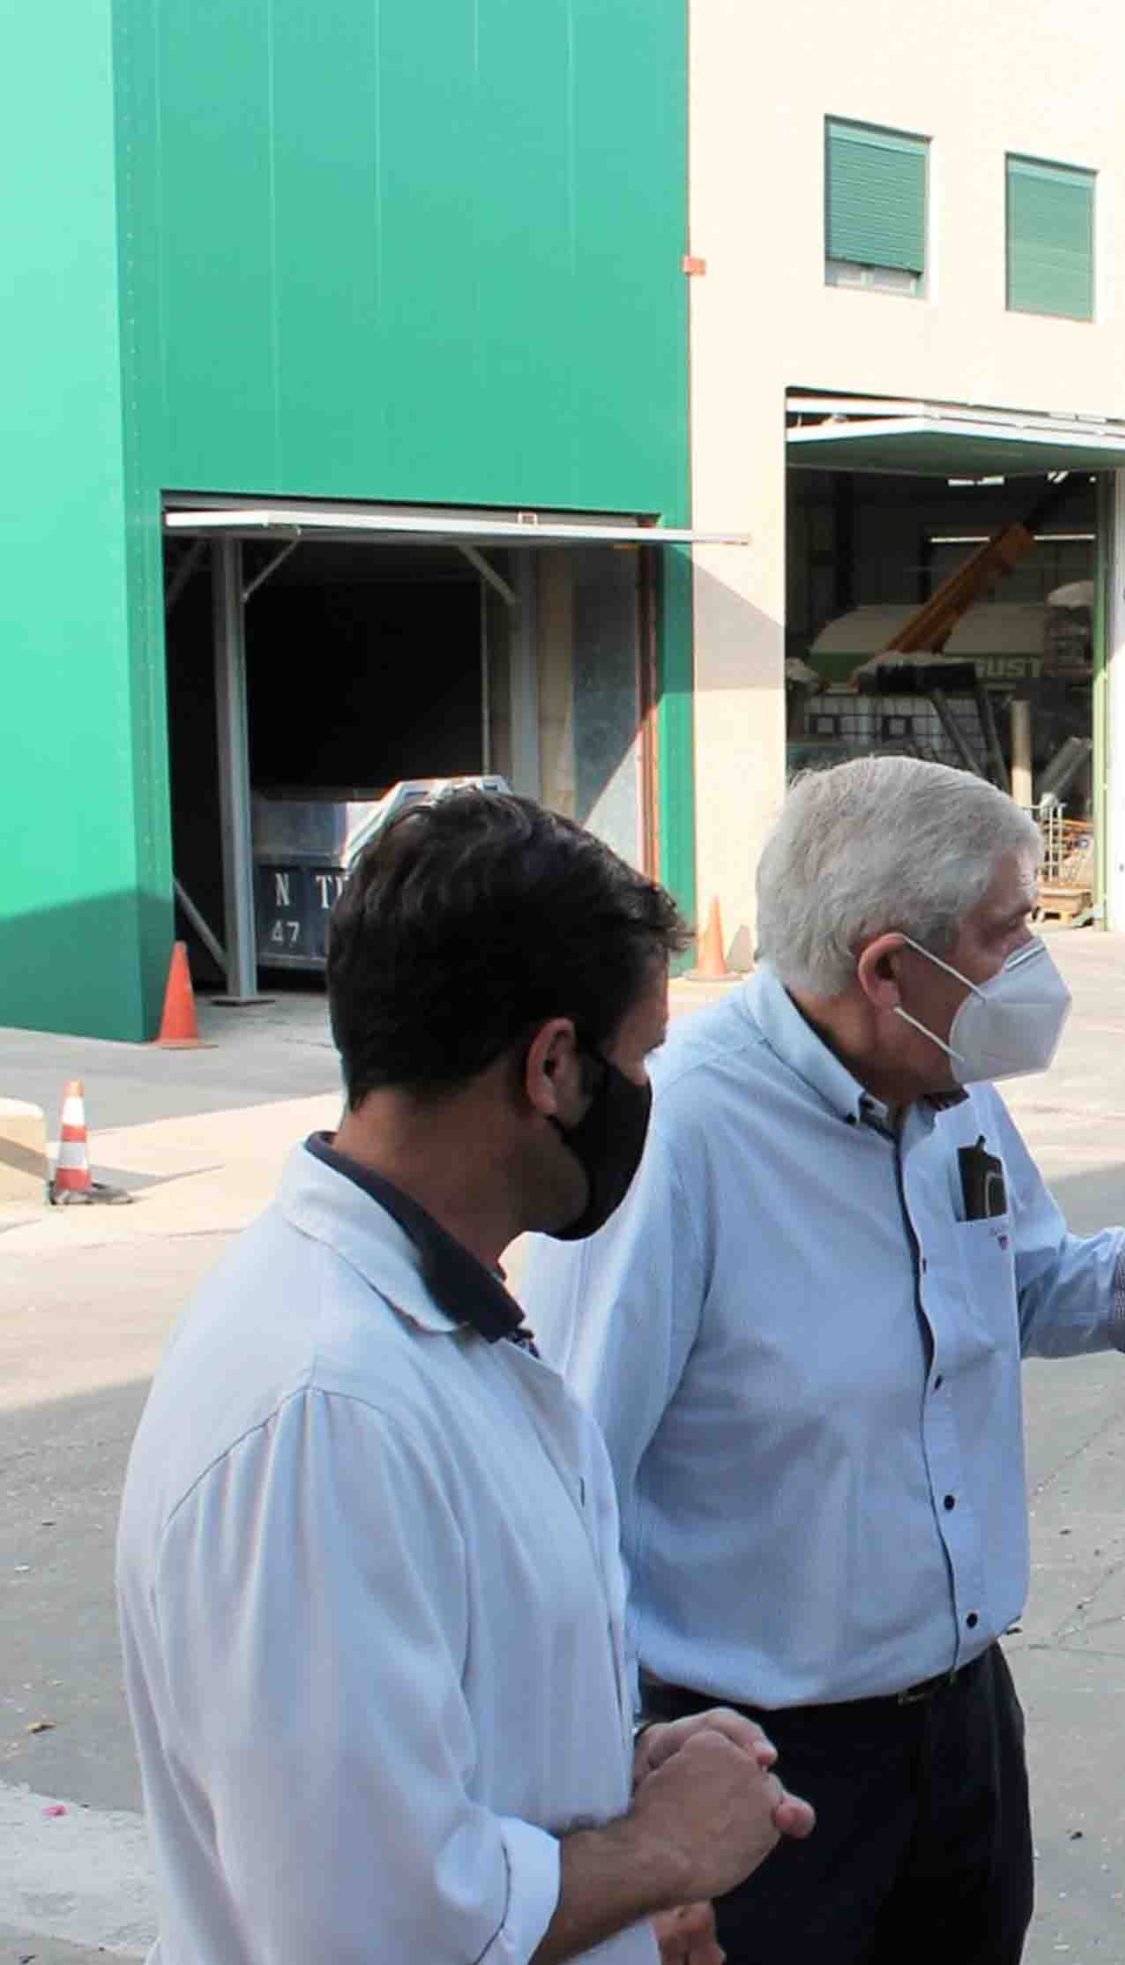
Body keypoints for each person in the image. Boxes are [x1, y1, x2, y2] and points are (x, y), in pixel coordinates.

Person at [521, 755, 1125, 1965]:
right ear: (889, 967)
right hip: (757, 1767)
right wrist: (628, 1839)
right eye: (1009, 931)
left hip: (957, 1730)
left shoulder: (942, 1086)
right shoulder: (681, 1139)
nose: (1036, 966)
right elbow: (567, 1492)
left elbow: (1027, 1283)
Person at [116, 790, 814, 1965]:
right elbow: (364, 1927)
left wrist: (601, 1789)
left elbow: (424, 1761)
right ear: (552, 1068)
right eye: (638, 1060)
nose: (647, 1099)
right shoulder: (326, 1414)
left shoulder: (440, 1323)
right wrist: (665, 1850)